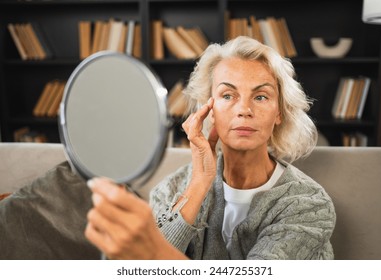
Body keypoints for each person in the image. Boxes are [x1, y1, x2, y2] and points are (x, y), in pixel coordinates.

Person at [85, 36, 336, 260]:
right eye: (228, 96)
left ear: (279, 112)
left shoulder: (309, 204)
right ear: (209, 109)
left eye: (260, 97)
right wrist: (199, 183)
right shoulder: (171, 189)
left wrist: (151, 253)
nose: (244, 110)